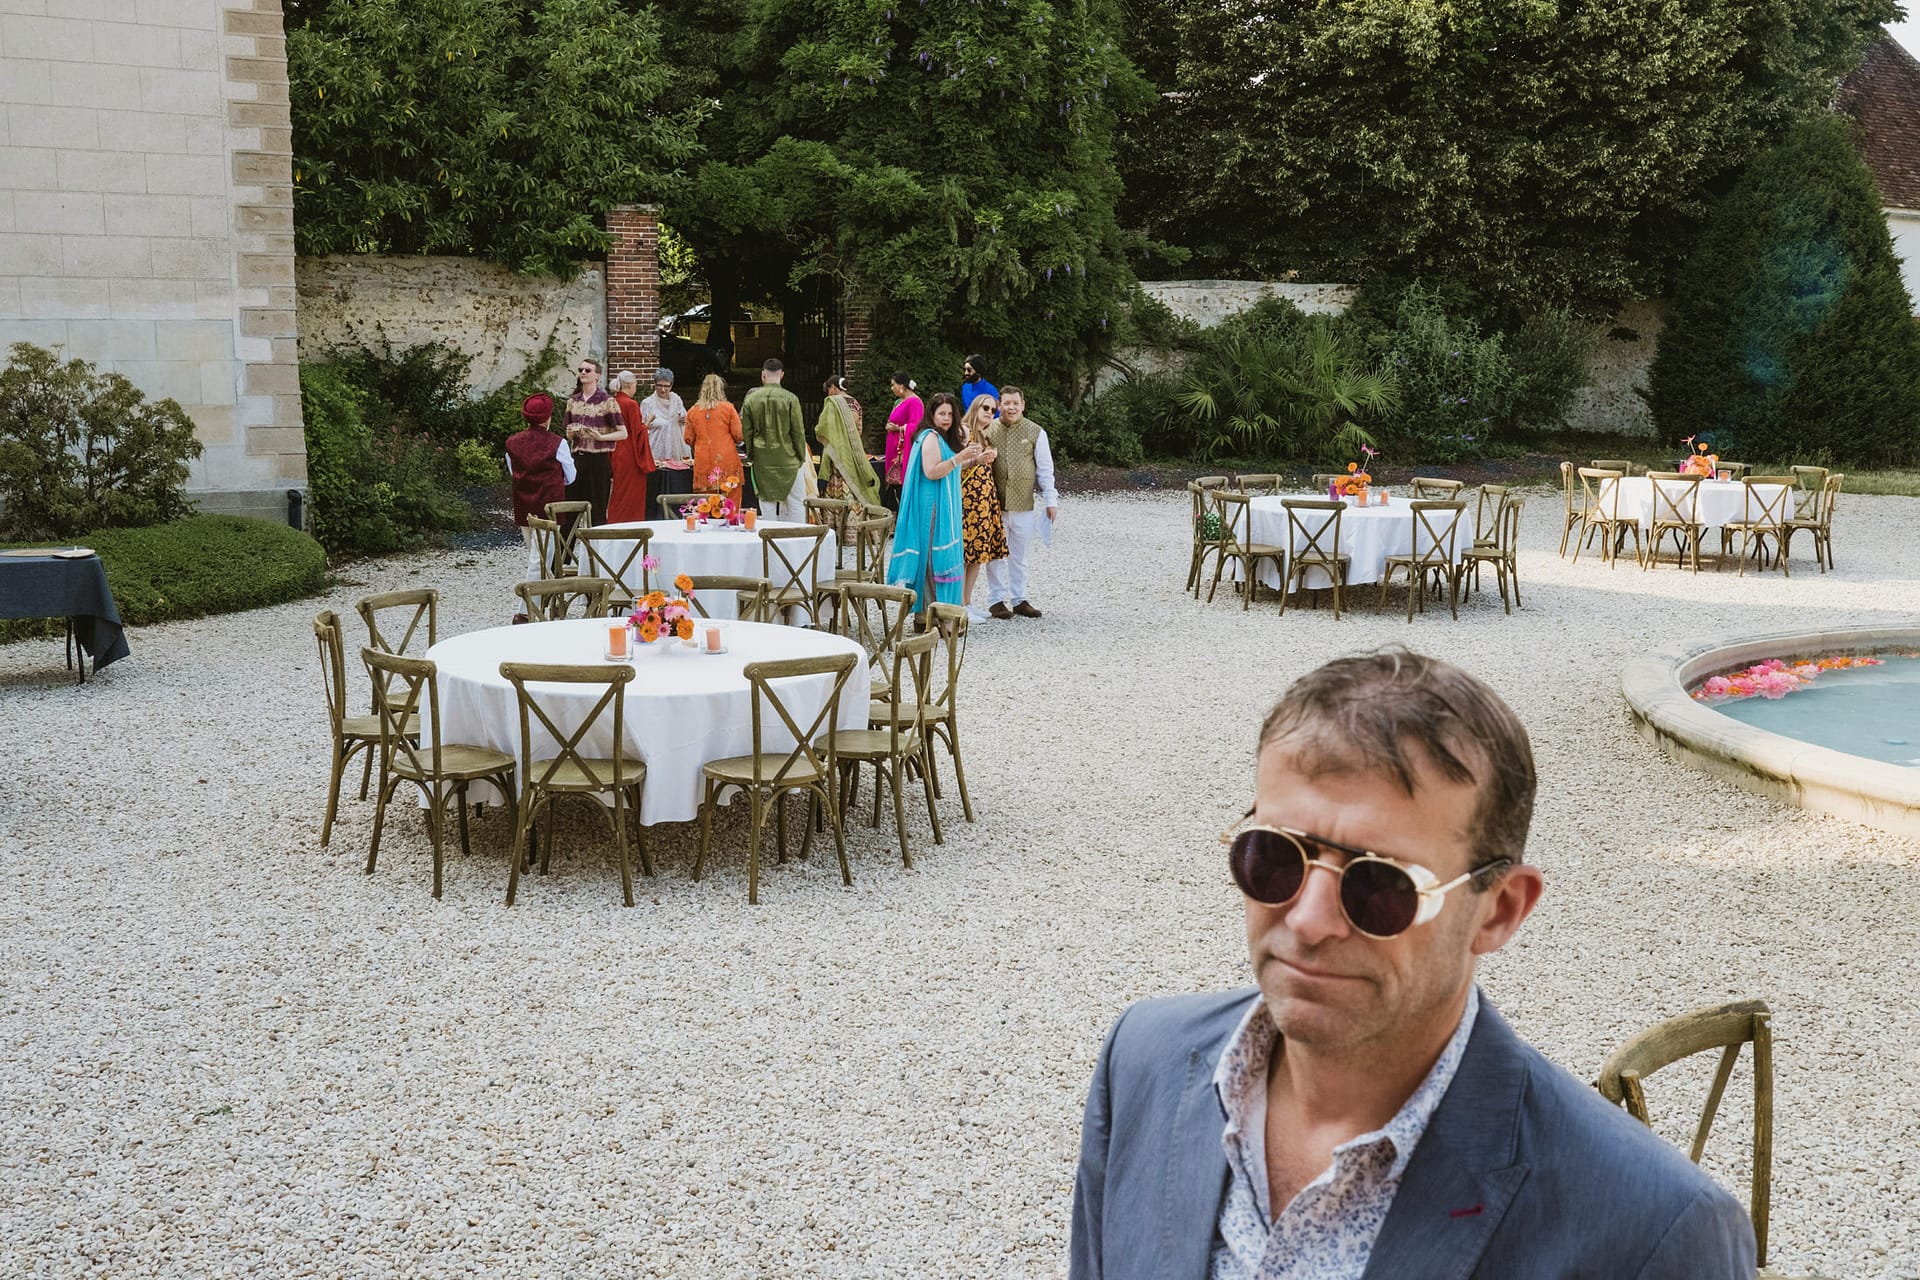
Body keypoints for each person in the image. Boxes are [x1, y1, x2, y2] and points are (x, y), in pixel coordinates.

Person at [1069, 649, 1757, 1280]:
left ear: (1499, 910)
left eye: (1378, 886)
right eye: (1274, 856)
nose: (1307, 920)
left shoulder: (1656, 1233)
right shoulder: (1142, 1064)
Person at [887, 392, 986, 623]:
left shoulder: (940, 437)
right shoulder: (930, 437)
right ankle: (933, 616)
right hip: (931, 506)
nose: (947, 418)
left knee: (933, 557)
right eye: (942, 413)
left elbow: (949, 468)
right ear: (931, 414)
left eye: (950, 414)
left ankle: (929, 615)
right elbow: (932, 471)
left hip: (940, 502)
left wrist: (974, 460)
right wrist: (960, 456)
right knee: (932, 558)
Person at [983, 385, 1058, 620]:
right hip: (995, 504)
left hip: (1024, 502)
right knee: (995, 554)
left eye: (1016, 403)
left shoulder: (1036, 431)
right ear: (999, 405)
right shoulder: (988, 430)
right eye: (1007, 403)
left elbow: (1045, 469)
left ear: (1023, 405)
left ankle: (1019, 598)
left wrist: (1050, 499)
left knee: (1020, 554)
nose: (1011, 407)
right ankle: (996, 600)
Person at [504, 392, 575, 618]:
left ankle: (543, 603)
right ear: (548, 418)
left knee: (536, 557)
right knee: (540, 559)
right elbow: (571, 475)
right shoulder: (558, 443)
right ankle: (525, 611)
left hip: (524, 504)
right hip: (548, 507)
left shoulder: (512, 443)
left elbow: (512, 471)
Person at [956, 393, 1006, 621]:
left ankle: (967, 601)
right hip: (968, 499)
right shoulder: (963, 431)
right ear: (975, 407)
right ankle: (958, 604)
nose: (989, 412)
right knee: (966, 552)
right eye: (985, 407)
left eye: (993, 410)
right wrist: (977, 460)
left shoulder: (984, 434)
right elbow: (954, 464)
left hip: (984, 500)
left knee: (978, 553)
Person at [740, 357, 809, 522]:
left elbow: (747, 433)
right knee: (796, 504)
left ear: (763, 374)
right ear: (782, 374)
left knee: (767, 505)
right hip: (789, 457)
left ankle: (769, 546)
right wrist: (801, 456)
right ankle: (796, 543)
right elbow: (798, 432)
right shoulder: (791, 398)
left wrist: (750, 455)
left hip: (762, 459)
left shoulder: (751, 399)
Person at [563, 356, 625, 523]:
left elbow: (623, 433)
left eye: (587, 370)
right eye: (581, 370)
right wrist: (570, 433)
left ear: (597, 376)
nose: (583, 373)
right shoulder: (573, 401)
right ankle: (565, 548)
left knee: (597, 509)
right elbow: (568, 434)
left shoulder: (607, 401)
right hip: (577, 457)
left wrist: (601, 437)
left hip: (598, 459)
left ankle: (598, 548)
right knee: (570, 509)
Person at [816, 375, 881, 509]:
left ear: (833, 387)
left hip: (837, 453)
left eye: (828, 390)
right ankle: (855, 520)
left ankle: (837, 522)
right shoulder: (855, 403)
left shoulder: (832, 402)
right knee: (855, 485)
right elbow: (859, 429)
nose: (828, 393)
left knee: (838, 487)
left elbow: (824, 427)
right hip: (854, 452)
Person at [605, 371, 656, 523]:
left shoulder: (612, 402)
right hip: (630, 453)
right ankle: (631, 524)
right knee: (632, 493)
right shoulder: (631, 404)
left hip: (615, 449)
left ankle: (614, 521)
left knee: (619, 491)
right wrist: (647, 423)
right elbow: (637, 431)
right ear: (629, 384)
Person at [641, 367, 692, 516]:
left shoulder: (676, 399)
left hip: (676, 446)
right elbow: (643, 426)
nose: (663, 389)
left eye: (666, 386)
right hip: (656, 447)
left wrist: (684, 419)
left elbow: (684, 416)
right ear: (655, 385)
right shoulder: (647, 403)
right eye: (660, 385)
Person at [684, 372, 745, 494]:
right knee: (730, 500)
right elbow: (739, 436)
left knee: (705, 503)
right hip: (727, 459)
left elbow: (688, 438)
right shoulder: (728, 409)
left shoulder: (693, 411)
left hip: (703, 460)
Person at [882, 373, 924, 512]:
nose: (892, 388)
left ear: (902, 386)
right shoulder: (902, 401)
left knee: (901, 491)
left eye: (893, 384)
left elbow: (916, 427)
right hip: (895, 449)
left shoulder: (914, 402)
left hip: (902, 453)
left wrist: (898, 428)